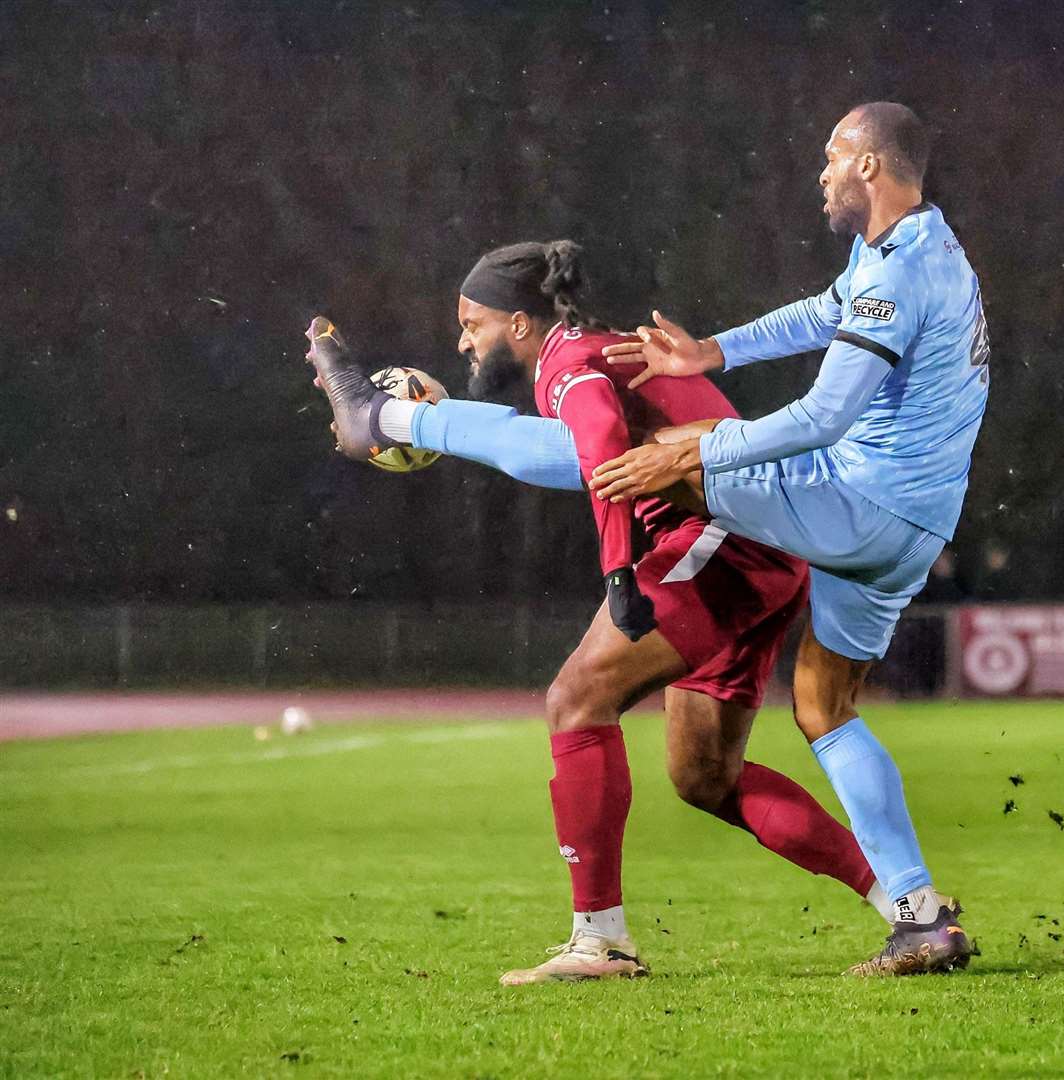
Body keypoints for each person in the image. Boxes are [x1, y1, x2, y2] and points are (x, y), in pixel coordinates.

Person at [304, 240, 894, 985]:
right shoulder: (594, 351)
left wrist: (618, 572)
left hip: (727, 542)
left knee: (577, 699)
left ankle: (600, 941)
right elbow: (569, 452)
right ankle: (909, 906)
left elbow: (602, 454)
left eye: (472, 323)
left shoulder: (570, 360)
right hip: (758, 541)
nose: (462, 340)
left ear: (520, 323)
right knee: (704, 775)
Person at [585, 101, 985, 975]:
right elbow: (821, 312)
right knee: (823, 708)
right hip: (914, 526)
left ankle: (434, 429)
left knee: (655, 455)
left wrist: (699, 447)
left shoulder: (897, 276)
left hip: (859, 502)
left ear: (871, 166)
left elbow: (823, 415)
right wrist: (713, 356)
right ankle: (920, 918)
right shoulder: (915, 247)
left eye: (833, 156)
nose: (823, 173)